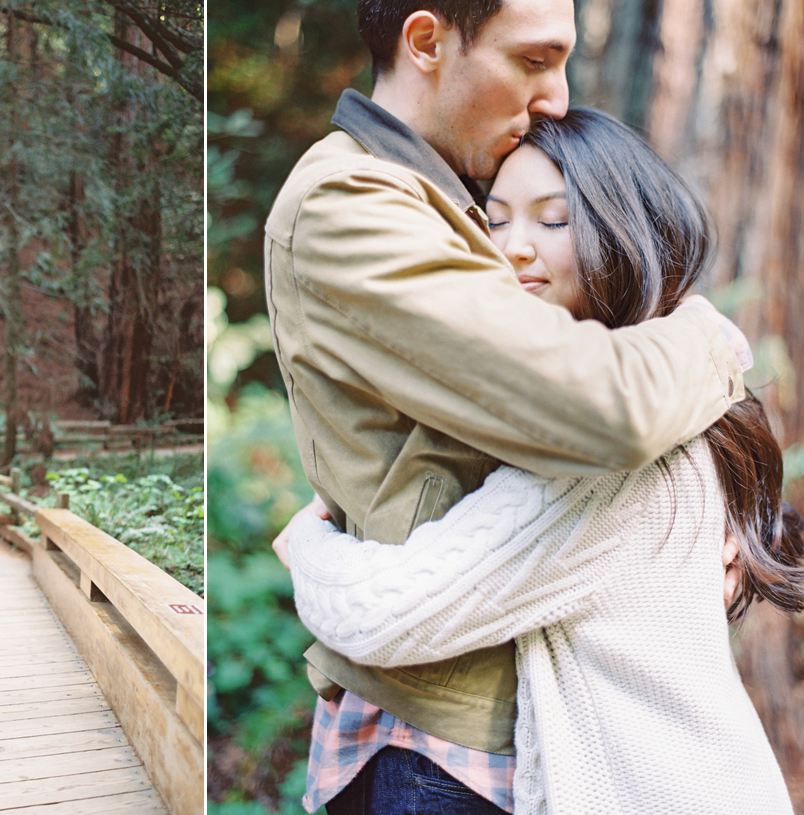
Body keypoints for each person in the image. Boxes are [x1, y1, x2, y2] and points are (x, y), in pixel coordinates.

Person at [264, 0, 752, 812]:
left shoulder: (440, 192)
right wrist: (710, 339)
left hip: (527, 726)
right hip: (445, 744)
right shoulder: (351, 202)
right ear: (426, 42)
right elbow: (606, 408)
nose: (556, 96)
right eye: (533, 61)